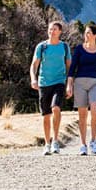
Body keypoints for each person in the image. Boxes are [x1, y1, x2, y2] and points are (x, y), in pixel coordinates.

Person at [66, 24, 96, 155]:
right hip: (79, 83)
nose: (86, 35)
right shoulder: (80, 49)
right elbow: (73, 68)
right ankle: (83, 144)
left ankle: (93, 141)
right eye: (85, 33)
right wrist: (69, 85)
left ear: (95, 35)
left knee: (95, 110)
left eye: (88, 33)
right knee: (82, 115)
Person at [30, 21, 71, 155]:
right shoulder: (41, 47)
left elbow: (69, 66)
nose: (51, 31)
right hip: (43, 83)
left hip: (59, 82)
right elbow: (34, 65)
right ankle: (47, 143)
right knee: (46, 115)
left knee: (56, 108)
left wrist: (70, 85)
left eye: (54, 29)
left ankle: (55, 141)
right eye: (50, 29)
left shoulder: (64, 47)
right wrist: (33, 79)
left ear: (60, 32)